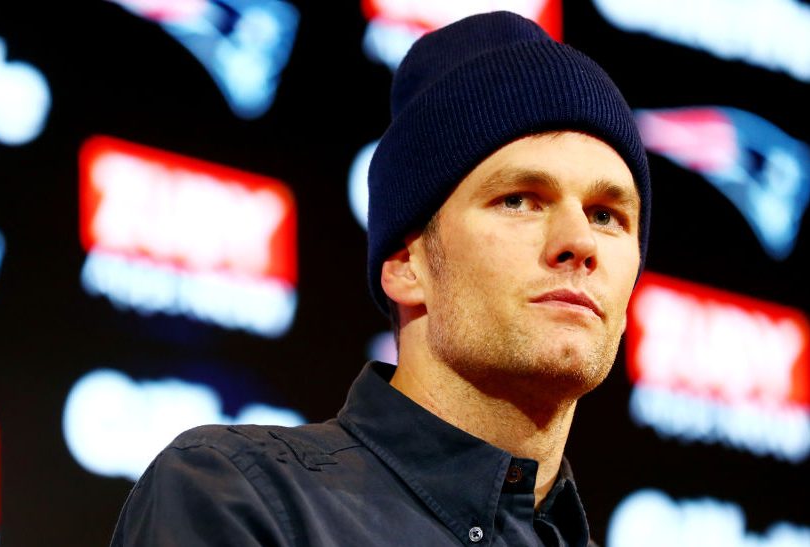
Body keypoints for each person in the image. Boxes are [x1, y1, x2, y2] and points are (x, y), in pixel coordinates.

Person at [111, 10, 650, 547]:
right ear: (406, 264)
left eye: (607, 215)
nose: (579, 241)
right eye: (519, 201)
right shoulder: (241, 495)